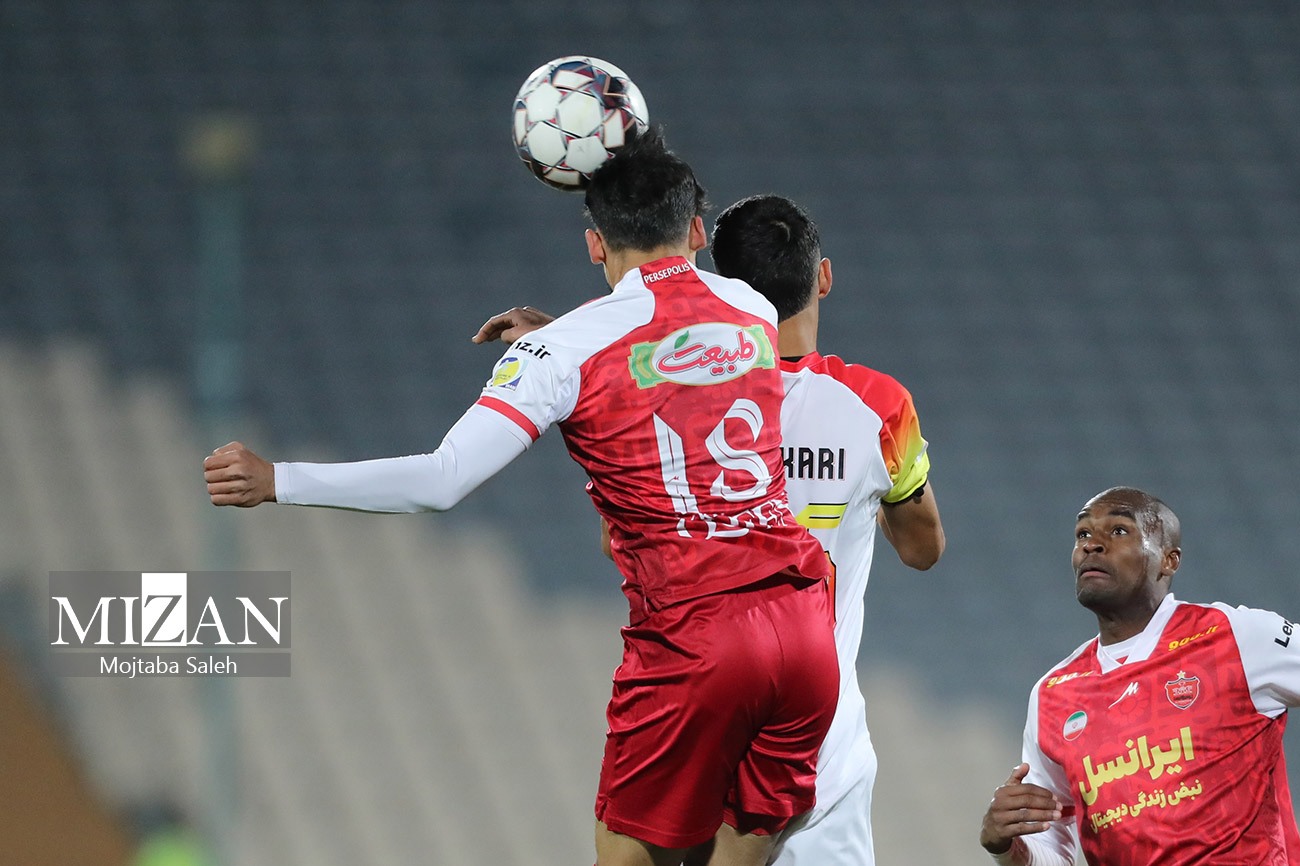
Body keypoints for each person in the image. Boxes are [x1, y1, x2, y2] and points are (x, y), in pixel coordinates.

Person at [203, 131, 840, 866]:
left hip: (697, 636)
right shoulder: (750, 307)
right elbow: (676, 347)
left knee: (628, 859)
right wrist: (564, 336)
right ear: (698, 232)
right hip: (803, 626)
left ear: (594, 245)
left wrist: (280, 480)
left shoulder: (563, 352)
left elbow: (443, 478)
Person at [476, 194, 946, 866]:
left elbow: (618, 540)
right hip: (823, 733)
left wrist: (565, 344)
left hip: (706, 712)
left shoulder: (676, 400)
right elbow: (923, 549)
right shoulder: (878, 406)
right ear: (823, 278)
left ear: (721, 283)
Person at [978, 486, 1300, 866]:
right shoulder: (1053, 696)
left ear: (1168, 560)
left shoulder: (1236, 636)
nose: (1091, 544)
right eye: (1082, 533)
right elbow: (1052, 849)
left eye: (1118, 530)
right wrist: (1006, 846)